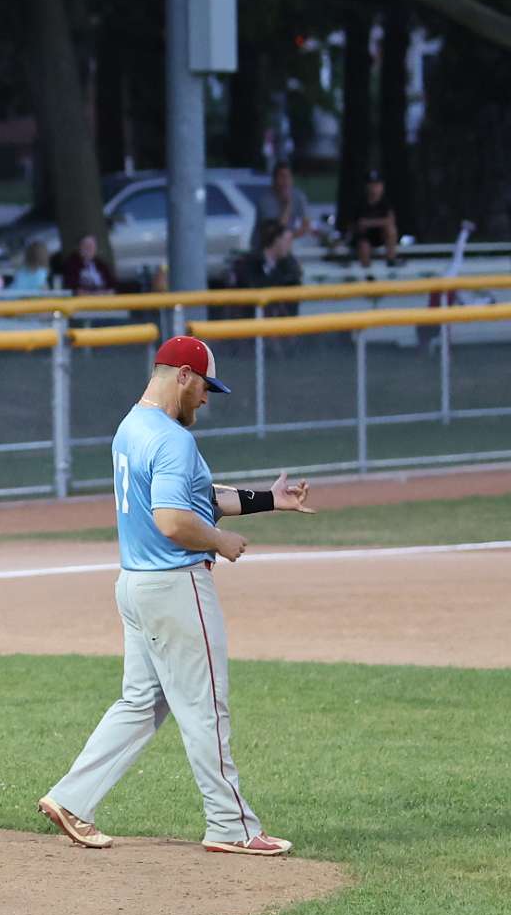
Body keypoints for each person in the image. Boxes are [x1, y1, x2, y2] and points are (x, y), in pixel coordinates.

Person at [37, 336, 313, 858]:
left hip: (136, 585)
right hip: (175, 586)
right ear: (183, 376)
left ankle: (71, 799)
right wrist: (219, 541)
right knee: (206, 706)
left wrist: (268, 499)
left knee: (141, 702)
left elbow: (196, 495)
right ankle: (230, 825)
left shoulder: (132, 427)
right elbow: (173, 519)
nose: (206, 398)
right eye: (205, 386)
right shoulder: (172, 439)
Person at [233, 220, 302, 318]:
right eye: (287, 241)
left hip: (280, 321)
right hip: (252, 319)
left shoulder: (290, 266)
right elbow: (252, 288)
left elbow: (292, 300)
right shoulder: (249, 264)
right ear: (277, 240)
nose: (289, 246)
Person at [249, 161, 314, 251]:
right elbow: (275, 232)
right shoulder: (266, 200)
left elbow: (306, 225)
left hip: (283, 247)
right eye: (282, 177)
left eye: (288, 177)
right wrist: (287, 205)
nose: (285, 181)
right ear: (274, 180)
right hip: (264, 247)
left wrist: (289, 238)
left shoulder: (298, 196)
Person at [352, 170, 400, 268]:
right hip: (365, 237)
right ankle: (367, 272)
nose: (374, 188)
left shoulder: (386, 202)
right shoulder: (360, 203)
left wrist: (370, 223)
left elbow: (390, 221)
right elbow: (360, 224)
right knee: (364, 247)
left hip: (381, 235)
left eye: (377, 184)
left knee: (391, 230)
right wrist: (380, 222)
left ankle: (391, 260)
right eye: (371, 184)